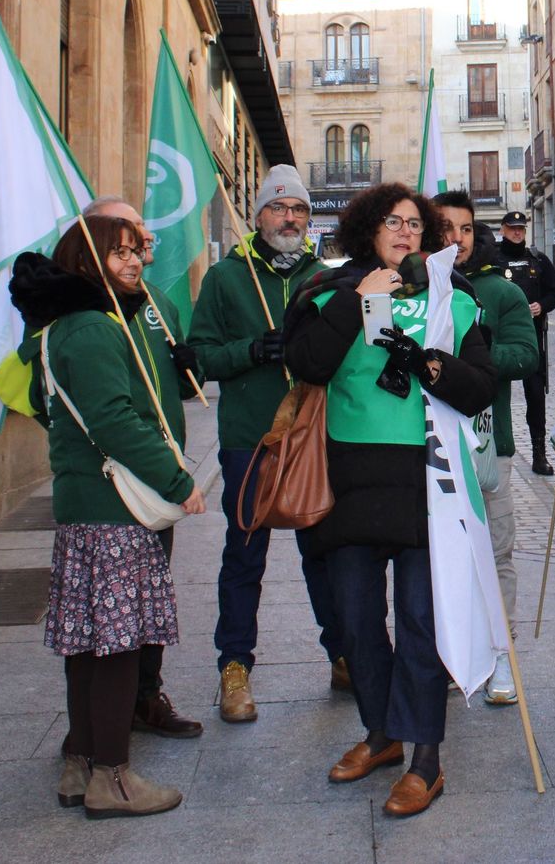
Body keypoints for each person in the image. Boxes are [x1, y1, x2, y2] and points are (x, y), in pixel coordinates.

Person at [284, 183, 496, 817]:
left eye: (413, 223)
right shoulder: (325, 292)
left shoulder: (451, 299)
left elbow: (480, 389)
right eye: (391, 222)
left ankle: (425, 759)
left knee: (419, 622)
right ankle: (381, 734)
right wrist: (355, 302)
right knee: (355, 623)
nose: (405, 232)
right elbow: (308, 365)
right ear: (366, 230)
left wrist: (430, 364)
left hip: (423, 484)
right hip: (346, 484)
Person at [10, 214, 206, 818]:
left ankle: (80, 762)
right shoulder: (93, 328)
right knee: (118, 644)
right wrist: (178, 481)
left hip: (84, 508)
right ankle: (113, 777)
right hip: (113, 511)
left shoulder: (58, 328)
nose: (134, 262)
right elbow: (114, 420)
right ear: (85, 260)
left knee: (89, 642)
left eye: (135, 252)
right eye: (118, 253)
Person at [189, 165, 344, 724]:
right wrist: (252, 351)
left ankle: (342, 653)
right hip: (249, 439)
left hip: (310, 436)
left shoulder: (323, 278)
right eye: (280, 208)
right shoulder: (226, 278)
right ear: (258, 215)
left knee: (320, 552)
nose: (291, 218)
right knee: (244, 554)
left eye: (300, 210)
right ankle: (234, 668)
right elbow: (201, 355)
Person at [432, 191, 539, 704]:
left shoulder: (502, 291)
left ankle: (501, 655)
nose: (457, 238)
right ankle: (449, 654)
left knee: (496, 551)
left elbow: (526, 355)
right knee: (438, 556)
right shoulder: (410, 289)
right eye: (446, 227)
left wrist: (469, 352)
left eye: (467, 228)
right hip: (429, 449)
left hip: (487, 447)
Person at [495, 210, 555, 475]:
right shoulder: (494, 260)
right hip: (502, 338)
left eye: (521, 228)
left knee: (536, 397)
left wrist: (541, 306)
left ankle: (539, 454)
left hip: (531, 338)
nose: (517, 232)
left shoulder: (538, 260)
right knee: (496, 392)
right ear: (502, 229)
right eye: (512, 228)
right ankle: (494, 448)